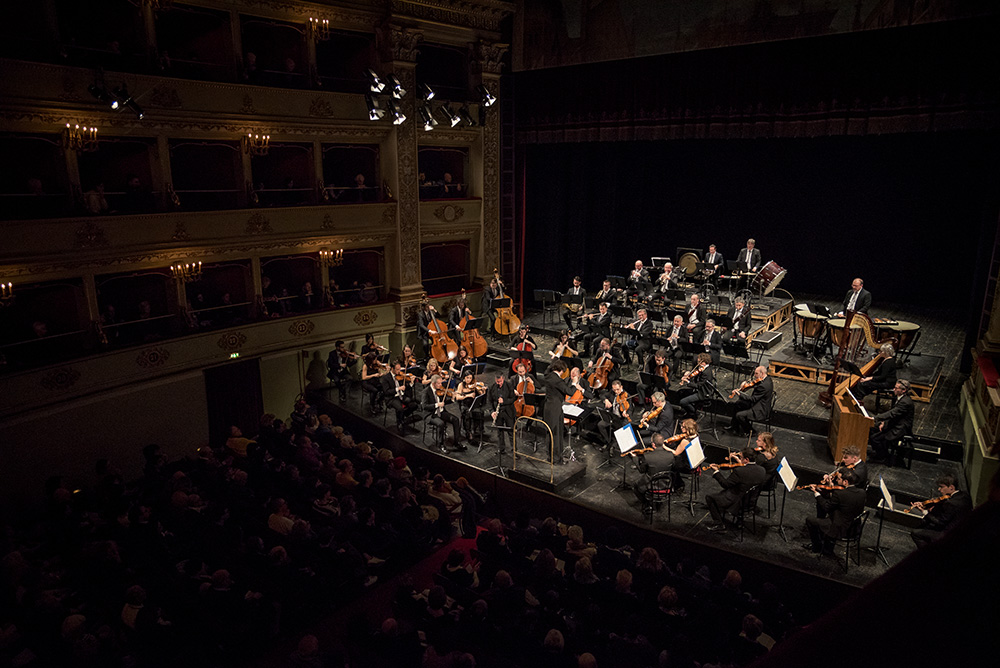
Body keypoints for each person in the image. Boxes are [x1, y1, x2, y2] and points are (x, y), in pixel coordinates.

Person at [803, 468, 866, 555]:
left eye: (839, 479)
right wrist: (831, 485)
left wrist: (816, 493)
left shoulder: (840, 494)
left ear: (845, 482)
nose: (836, 480)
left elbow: (826, 507)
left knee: (810, 520)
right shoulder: (862, 492)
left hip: (840, 528)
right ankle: (826, 544)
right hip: (854, 527)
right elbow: (844, 501)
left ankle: (817, 547)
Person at [705, 447, 767, 532]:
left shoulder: (739, 471)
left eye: (741, 458)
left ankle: (719, 524)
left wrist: (716, 472)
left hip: (737, 503)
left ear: (746, 459)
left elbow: (725, 484)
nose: (740, 460)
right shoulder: (762, 470)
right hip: (751, 502)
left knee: (710, 498)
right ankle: (739, 521)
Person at [910, 474, 973, 549]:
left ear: (951, 487)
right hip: (963, 531)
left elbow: (940, 522)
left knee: (915, 533)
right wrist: (925, 504)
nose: (939, 489)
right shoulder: (964, 495)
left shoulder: (951, 503)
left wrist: (924, 511)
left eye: (942, 487)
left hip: (949, 534)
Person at [868, 379, 914, 462]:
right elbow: (894, 415)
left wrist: (876, 418)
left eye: (896, 388)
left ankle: (882, 457)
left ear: (903, 390)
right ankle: (881, 452)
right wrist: (884, 422)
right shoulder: (901, 398)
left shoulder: (905, 402)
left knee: (875, 438)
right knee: (872, 428)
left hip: (899, 428)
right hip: (895, 423)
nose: (893, 389)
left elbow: (892, 413)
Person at [421, 375, 465, 454]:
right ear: (433, 384)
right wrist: (437, 405)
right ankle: (440, 445)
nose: (441, 385)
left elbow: (443, 403)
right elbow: (424, 406)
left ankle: (457, 442)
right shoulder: (426, 391)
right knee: (440, 423)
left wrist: (452, 399)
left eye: (441, 383)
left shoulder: (440, 390)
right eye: (439, 383)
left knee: (455, 419)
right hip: (430, 414)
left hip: (441, 412)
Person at [630, 432, 675, 510]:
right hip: (666, 484)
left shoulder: (647, 456)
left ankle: (647, 503)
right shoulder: (670, 455)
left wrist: (635, 458)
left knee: (635, 486)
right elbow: (673, 467)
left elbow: (641, 470)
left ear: (653, 444)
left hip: (652, 485)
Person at [543, 360, 574, 463]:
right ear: (561, 370)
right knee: (556, 433)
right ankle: (556, 459)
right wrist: (574, 383)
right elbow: (569, 391)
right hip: (555, 409)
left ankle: (550, 456)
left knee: (550, 432)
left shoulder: (548, 375)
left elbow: (547, 369)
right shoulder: (558, 380)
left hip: (548, 407)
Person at [729, 366, 774, 436]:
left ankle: (751, 431)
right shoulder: (767, 379)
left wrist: (740, 394)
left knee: (739, 415)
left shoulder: (764, 386)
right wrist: (745, 385)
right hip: (758, 403)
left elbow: (753, 399)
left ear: (762, 373)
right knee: (738, 404)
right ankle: (734, 427)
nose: (754, 375)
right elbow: (755, 385)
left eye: (756, 373)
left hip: (760, 410)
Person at [381, 359, 419, 432]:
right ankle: (400, 422)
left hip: (401, 396)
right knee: (400, 408)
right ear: (392, 369)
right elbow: (386, 392)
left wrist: (411, 383)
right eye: (397, 369)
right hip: (392, 398)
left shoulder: (400, 376)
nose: (399, 371)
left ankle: (402, 416)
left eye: (400, 369)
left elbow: (406, 387)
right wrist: (398, 389)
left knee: (414, 405)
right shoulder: (386, 378)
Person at [597, 379, 632, 450]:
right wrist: (606, 400)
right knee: (600, 425)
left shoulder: (627, 395)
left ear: (621, 387)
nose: (616, 392)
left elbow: (630, 409)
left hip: (621, 419)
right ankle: (608, 441)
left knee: (622, 428)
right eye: (614, 390)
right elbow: (602, 395)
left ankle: (617, 445)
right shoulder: (612, 392)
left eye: (618, 389)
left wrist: (626, 413)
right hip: (612, 416)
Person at [678, 352, 714, 419]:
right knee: (680, 392)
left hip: (703, 393)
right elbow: (695, 377)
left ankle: (693, 413)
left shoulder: (706, 372)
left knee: (683, 402)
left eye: (699, 362)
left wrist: (688, 382)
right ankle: (689, 410)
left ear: (704, 362)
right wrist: (688, 373)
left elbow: (698, 385)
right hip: (698, 389)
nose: (698, 363)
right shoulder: (702, 368)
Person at [487, 371, 515, 453]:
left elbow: (513, 398)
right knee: (499, 432)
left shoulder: (509, 385)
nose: (498, 383)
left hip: (508, 411)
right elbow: (489, 401)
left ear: (503, 379)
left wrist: (504, 401)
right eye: (497, 381)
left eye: (500, 381)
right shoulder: (492, 387)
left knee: (511, 431)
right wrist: (492, 411)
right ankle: (501, 448)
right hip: (498, 412)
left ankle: (514, 450)